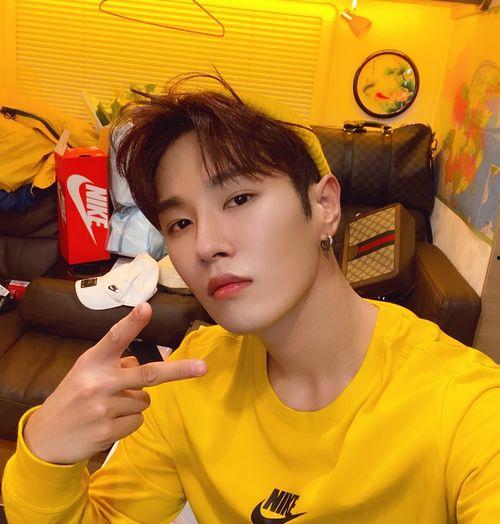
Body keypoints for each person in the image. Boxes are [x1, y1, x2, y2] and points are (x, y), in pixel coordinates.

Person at [2, 72, 499, 523]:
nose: (205, 244)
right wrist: (46, 452)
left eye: (239, 199)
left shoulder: (463, 406)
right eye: (180, 223)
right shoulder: (190, 381)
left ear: (325, 206)